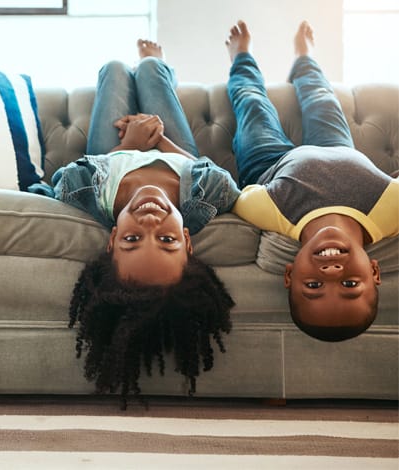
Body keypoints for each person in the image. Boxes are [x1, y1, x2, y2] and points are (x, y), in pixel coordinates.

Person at [30, 40, 238, 405]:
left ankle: (143, 74)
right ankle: (155, 65)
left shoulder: (83, 192)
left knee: (111, 68)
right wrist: (158, 140)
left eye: (132, 240)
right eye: (166, 241)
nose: (150, 222)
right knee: (150, 72)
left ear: (111, 239)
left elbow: (58, 179)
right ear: (187, 240)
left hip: (114, 153)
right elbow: (211, 171)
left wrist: (129, 144)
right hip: (169, 146)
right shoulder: (206, 198)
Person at [225, 20, 398, 342]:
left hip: (269, 161)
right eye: (350, 285)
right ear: (374, 272)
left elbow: (239, 195)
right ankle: (304, 57)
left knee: (251, 102)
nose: (332, 273)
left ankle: (241, 56)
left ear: (290, 274)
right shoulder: (390, 213)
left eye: (314, 286)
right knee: (321, 97)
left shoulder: (271, 213)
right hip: (337, 148)